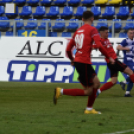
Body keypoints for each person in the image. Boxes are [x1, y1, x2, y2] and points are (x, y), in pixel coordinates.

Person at [53, 11, 115, 114]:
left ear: (82, 19)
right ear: (92, 19)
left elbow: (68, 49)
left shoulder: (77, 31)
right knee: (88, 91)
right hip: (84, 62)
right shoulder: (92, 30)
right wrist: (109, 57)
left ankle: (89, 109)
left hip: (80, 61)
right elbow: (99, 46)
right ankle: (61, 91)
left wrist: (72, 59)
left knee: (97, 83)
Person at [94, 27, 134, 97]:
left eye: (108, 32)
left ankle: (98, 91)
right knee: (131, 72)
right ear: (101, 33)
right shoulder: (100, 41)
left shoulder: (106, 39)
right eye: (106, 32)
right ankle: (124, 84)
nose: (108, 33)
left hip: (110, 63)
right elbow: (95, 46)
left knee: (114, 81)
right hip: (114, 61)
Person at [117, 29, 134, 97]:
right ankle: (123, 82)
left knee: (132, 76)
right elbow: (118, 47)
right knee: (132, 74)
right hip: (127, 60)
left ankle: (127, 93)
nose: (132, 34)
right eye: (130, 33)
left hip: (132, 60)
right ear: (127, 33)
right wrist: (125, 48)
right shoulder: (126, 40)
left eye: (133, 33)